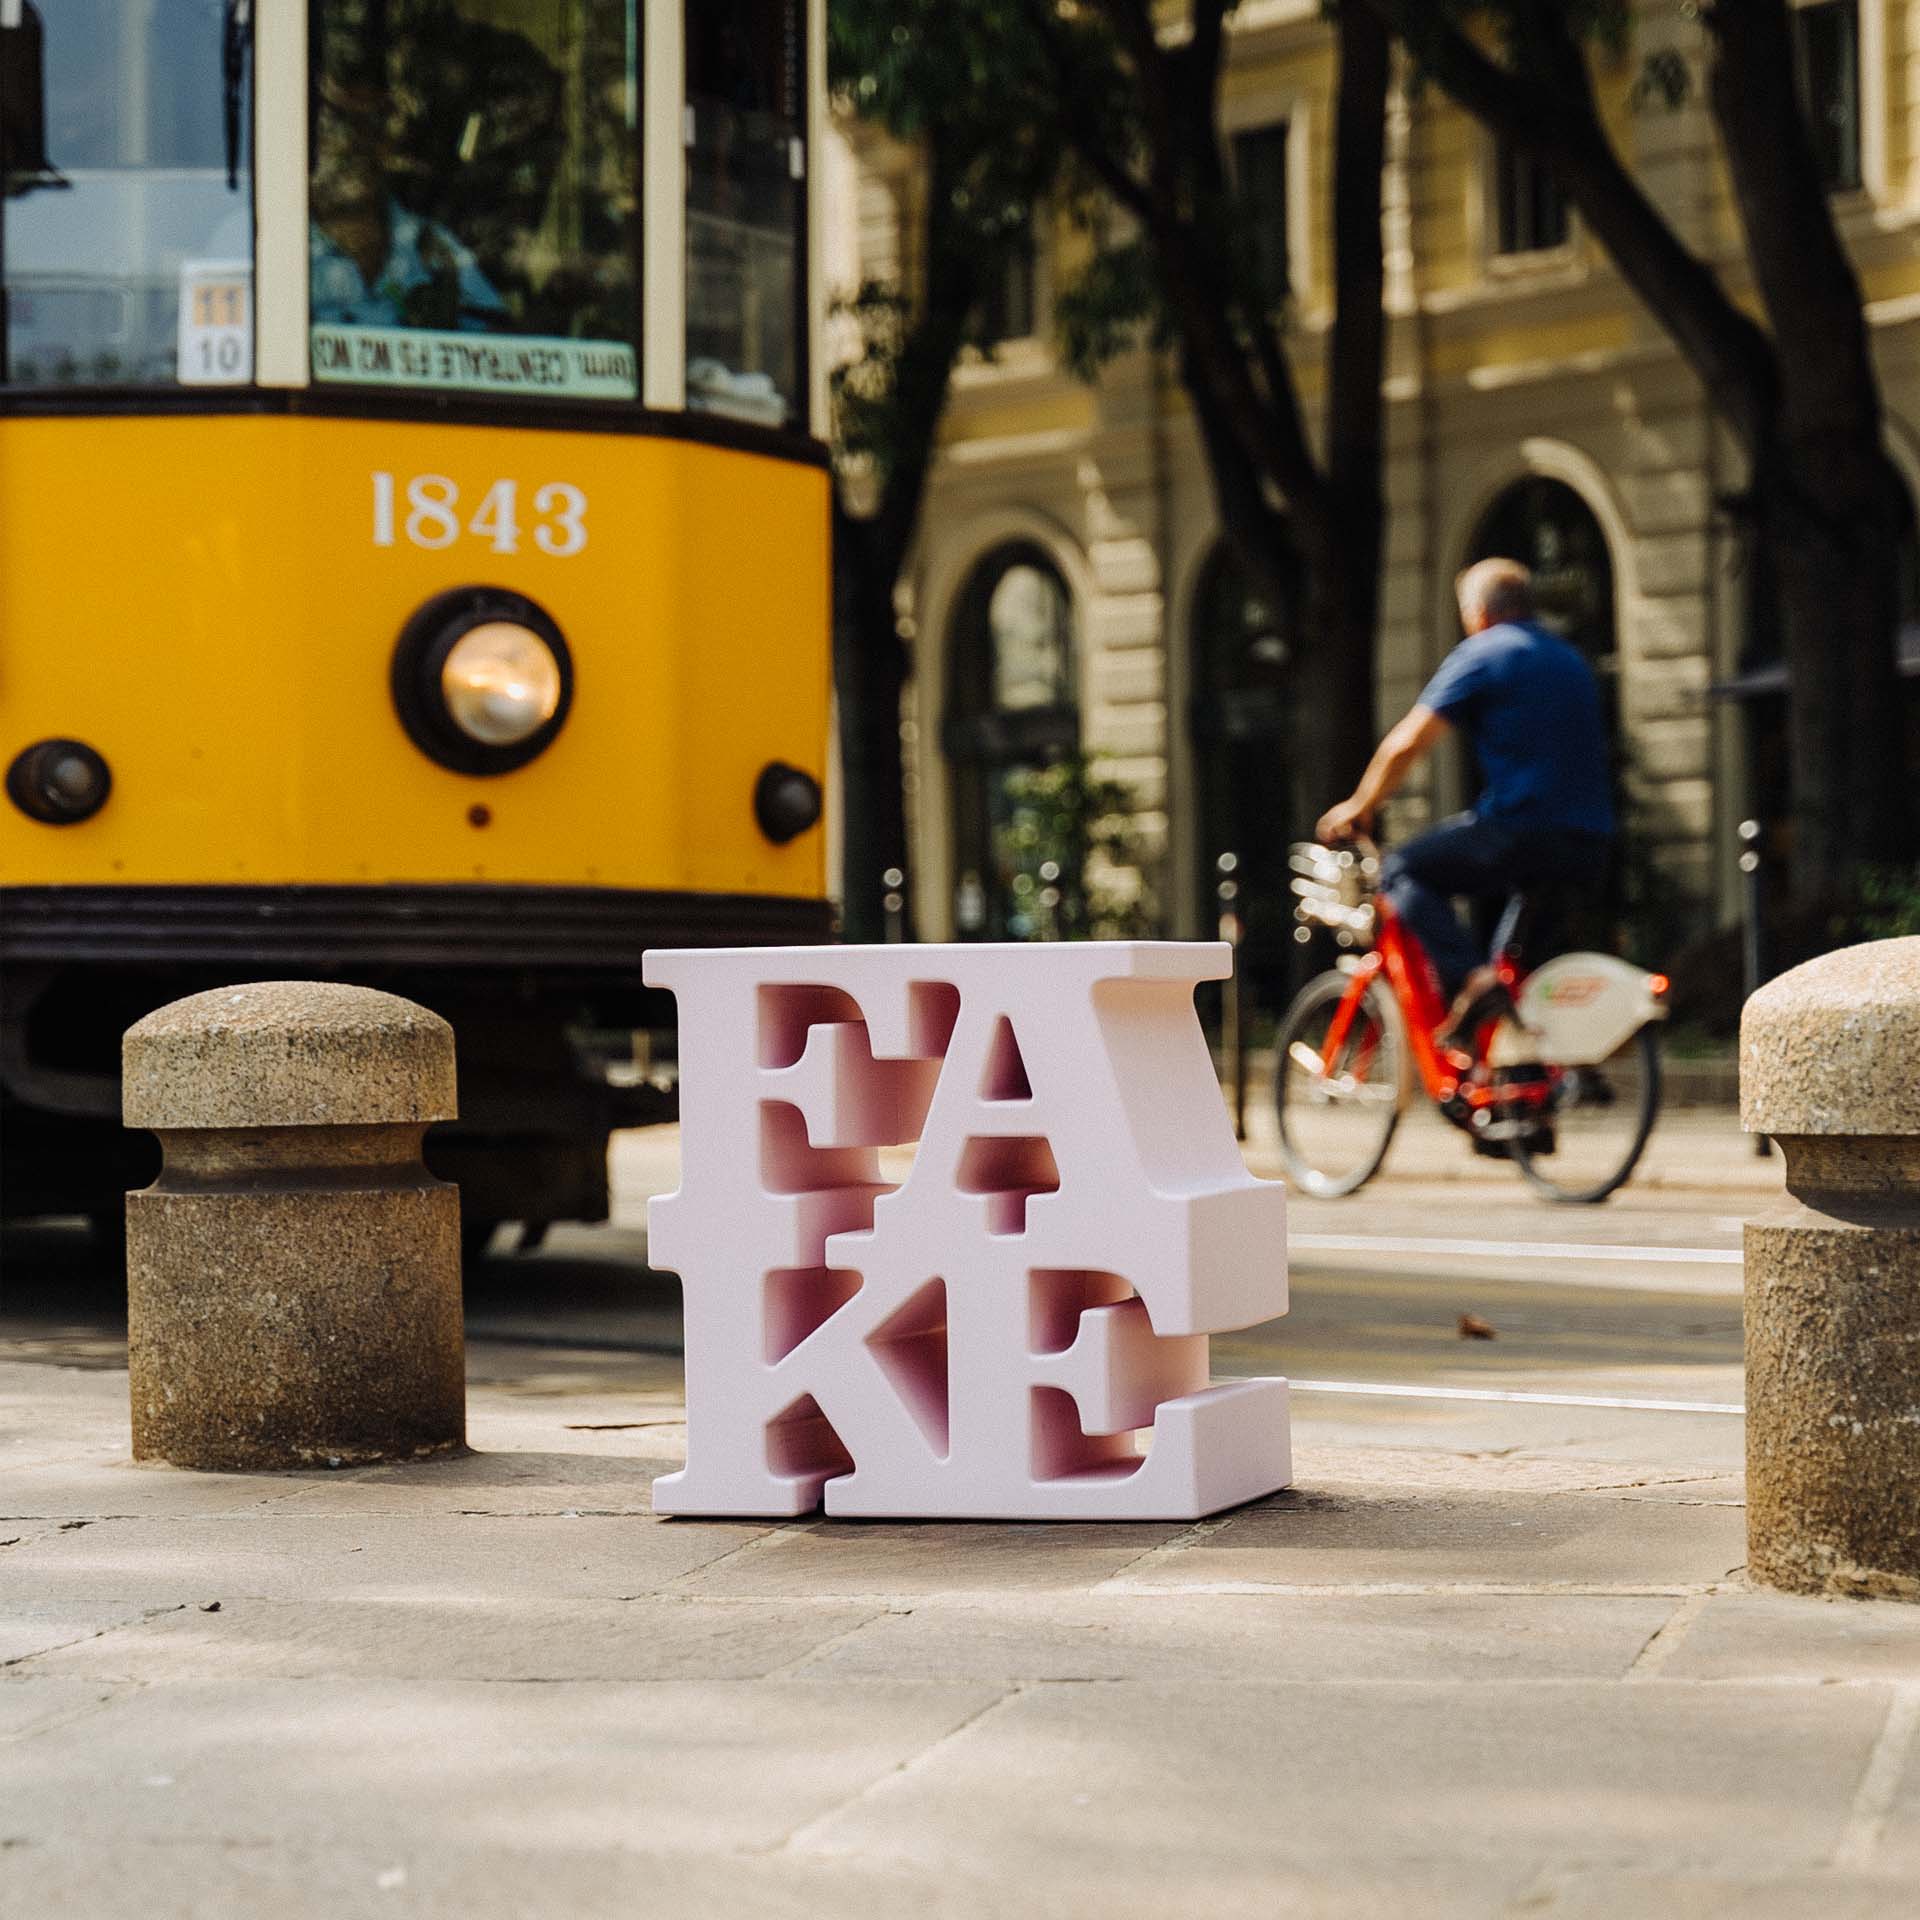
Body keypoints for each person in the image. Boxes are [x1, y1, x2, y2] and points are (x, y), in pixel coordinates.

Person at [1315, 556, 1615, 1018]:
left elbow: (1408, 743)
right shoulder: (1569, 658)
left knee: (1403, 870)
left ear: (1477, 614)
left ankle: (1473, 979)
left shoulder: (1484, 652)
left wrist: (1361, 804)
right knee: (1515, 970)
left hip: (1520, 831)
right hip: (1589, 841)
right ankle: (1517, 1067)